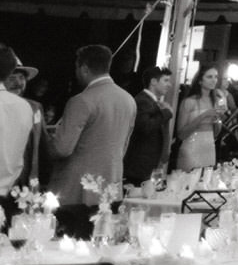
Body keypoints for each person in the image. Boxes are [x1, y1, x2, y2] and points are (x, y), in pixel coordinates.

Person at [47, 45, 136, 206]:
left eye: (76, 67)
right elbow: (123, 146)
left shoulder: (81, 100)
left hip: (77, 189)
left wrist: (47, 139)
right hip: (111, 184)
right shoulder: (128, 99)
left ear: (84, 68)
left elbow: (62, 149)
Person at [175, 65, 238, 172]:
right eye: (209, 77)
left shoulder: (216, 101)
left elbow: (216, 134)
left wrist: (218, 120)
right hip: (191, 148)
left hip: (209, 147)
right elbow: (181, 134)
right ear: (200, 80)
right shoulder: (189, 102)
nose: (214, 80)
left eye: (215, 77)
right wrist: (203, 115)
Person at [0, 46, 40, 198]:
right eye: (12, 77)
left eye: (22, 78)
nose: (18, 83)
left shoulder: (30, 107)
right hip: (10, 187)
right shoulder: (25, 107)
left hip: (18, 188)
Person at [123, 66, 173, 185]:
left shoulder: (154, 102)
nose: (169, 85)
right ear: (153, 82)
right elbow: (145, 127)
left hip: (150, 163)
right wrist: (166, 113)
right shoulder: (143, 101)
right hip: (140, 165)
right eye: (165, 80)